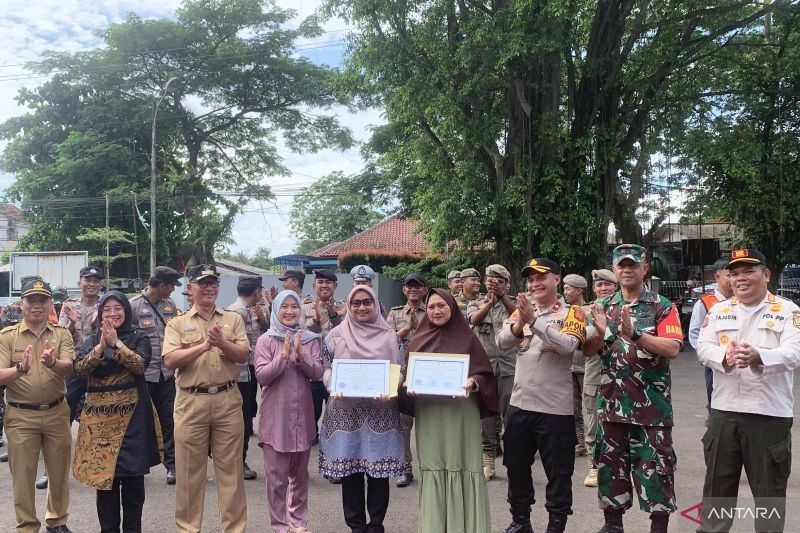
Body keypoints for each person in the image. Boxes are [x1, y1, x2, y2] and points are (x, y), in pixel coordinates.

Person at [696, 249, 800, 532]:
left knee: (769, 494)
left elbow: (793, 352)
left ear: (766, 275)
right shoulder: (719, 310)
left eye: (748, 272)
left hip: (768, 415)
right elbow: (703, 348)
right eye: (734, 274)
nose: (740, 279)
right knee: (717, 489)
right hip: (723, 413)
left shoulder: (787, 310)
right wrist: (723, 357)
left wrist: (760, 356)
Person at [582, 244, 683, 533]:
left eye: (633, 265)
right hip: (611, 406)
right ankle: (613, 525)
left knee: (656, 470)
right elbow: (588, 351)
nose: (627, 269)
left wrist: (635, 334)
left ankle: (658, 526)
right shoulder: (601, 307)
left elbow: (672, 348)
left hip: (652, 409)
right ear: (615, 269)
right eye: (621, 265)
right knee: (610, 468)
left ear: (644, 268)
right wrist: (600, 334)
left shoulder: (662, 306)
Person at [496, 258, 587, 533]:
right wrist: (519, 323)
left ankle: (555, 525)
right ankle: (521, 521)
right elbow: (502, 342)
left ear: (557, 280)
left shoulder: (573, 313)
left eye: (541, 277)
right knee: (515, 466)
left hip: (555, 410)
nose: (535, 283)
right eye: (531, 279)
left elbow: (568, 346)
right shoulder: (523, 310)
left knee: (558, 473)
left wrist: (535, 322)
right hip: (520, 405)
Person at [399, 288, 497, 532]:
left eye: (441, 305)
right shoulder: (417, 340)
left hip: (461, 412)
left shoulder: (468, 339)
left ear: (452, 308)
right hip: (430, 413)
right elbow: (407, 375)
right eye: (431, 307)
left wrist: (473, 381)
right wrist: (406, 384)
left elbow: (485, 374)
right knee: (434, 465)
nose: (436, 310)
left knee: (463, 463)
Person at [162, 264, 250, 533]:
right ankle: (188, 529)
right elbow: (169, 360)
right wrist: (204, 346)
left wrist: (222, 343)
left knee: (231, 475)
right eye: (203, 283)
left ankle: (234, 529)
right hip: (191, 402)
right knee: (189, 475)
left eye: (213, 282)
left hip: (227, 400)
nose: (209, 287)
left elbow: (244, 355)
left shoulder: (232, 319)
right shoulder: (177, 322)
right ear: (190, 289)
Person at [72, 291, 162, 533]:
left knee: (133, 486)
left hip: (133, 420)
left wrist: (117, 344)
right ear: (100, 314)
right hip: (99, 424)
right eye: (107, 309)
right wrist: (101, 348)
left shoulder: (139, 337)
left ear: (126, 311)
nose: (113, 313)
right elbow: (79, 371)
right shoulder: (91, 341)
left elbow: (140, 366)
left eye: (118, 308)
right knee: (106, 487)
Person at [319, 285, 406, 533]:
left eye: (367, 302)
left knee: (379, 472)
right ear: (348, 305)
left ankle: (376, 525)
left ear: (376, 304)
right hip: (347, 412)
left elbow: (399, 369)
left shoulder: (391, 336)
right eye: (355, 303)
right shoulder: (335, 335)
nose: (361, 307)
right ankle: (356, 526)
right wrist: (332, 384)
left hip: (381, 411)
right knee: (351, 471)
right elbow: (325, 368)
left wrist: (392, 387)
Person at [0, 279, 75, 533]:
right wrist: (20, 368)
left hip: (56, 412)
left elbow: (69, 367)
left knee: (58, 473)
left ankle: (57, 520)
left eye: (42, 300)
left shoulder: (61, 333)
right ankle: (27, 526)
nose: (37, 305)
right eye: (31, 300)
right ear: (21, 304)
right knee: (23, 476)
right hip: (21, 416)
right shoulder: (7, 337)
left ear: (50, 304)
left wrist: (53, 362)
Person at [254, 290, 323, 533]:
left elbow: (317, 373)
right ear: (276, 310)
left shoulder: (310, 339)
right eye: (285, 306)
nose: (290, 311)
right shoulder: (266, 340)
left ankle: (299, 522)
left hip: (302, 417)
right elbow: (262, 376)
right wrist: (283, 356)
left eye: (295, 306)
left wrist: (302, 355)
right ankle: (280, 526)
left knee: (300, 476)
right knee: (276, 479)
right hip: (276, 419)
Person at [129, 265, 182, 485]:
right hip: (143, 374)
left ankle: (172, 465)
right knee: (142, 421)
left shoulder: (170, 305)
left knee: (169, 419)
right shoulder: (133, 305)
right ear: (162, 286)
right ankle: (139, 464)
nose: (172, 291)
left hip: (166, 374)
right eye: (171, 286)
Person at [466, 264, 516, 481]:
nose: (494, 283)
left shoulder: (513, 303)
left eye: (499, 280)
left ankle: (514, 462)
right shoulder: (475, 302)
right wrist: (490, 302)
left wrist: (503, 297)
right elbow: (474, 320)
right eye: (490, 279)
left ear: (507, 284)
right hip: (484, 369)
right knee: (486, 416)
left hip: (509, 368)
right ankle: (488, 461)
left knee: (512, 417)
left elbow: (520, 315)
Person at [386, 273, 428, 488]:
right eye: (409, 286)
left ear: (424, 290)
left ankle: (430, 469)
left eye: (417, 286)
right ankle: (405, 469)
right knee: (403, 425)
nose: (413, 290)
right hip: (401, 373)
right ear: (404, 290)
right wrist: (408, 328)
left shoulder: (432, 311)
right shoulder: (394, 314)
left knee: (428, 425)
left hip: (426, 375)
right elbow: (387, 341)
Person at [227, 275, 269, 482]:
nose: (260, 294)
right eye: (260, 291)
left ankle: (236, 460)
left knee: (244, 417)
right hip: (238, 375)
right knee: (240, 420)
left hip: (247, 371)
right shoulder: (238, 312)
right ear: (256, 292)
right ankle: (238, 462)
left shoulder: (246, 311)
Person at [302, 269, 344, 458]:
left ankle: (334, 458)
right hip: (312, 372)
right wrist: (315, 322)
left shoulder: (346, 307)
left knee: (336, 416)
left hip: (338, 372)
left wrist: (334, 315)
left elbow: (348, 334)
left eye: (329, 282)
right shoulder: (302, 308)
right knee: (310, 415)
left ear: (335, 286)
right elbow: (298, 335)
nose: (324, 285)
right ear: (314, 286)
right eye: (320, 282)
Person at [582, 269, 618, 488]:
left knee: (621, 421)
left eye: (608, 285)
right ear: (593, 288)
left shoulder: (624, 309)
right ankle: (594, 467)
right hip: (595, 371)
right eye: (599, 285)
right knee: (593, 421)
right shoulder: (586, 312)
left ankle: (623, 466)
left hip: (621, 373)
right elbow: (585, 343)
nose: (604, 289)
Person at [688, 258, 733, 412]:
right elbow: (695, 332)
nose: (733, 279)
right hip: (714, 358)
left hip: (738, 357)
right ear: (717, 277)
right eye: (729, 275)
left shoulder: (742, 300)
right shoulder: (705, 302)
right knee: (714, 392)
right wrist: (704, 355)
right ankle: (714, 417)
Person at [562, 273, 588, 458]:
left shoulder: (589, 310)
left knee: (592, 408)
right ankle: (580, 443)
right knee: (573, 408)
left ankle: (593, 442)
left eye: (567, 288)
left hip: (586, 366)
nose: (565, 292)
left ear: (578, 290)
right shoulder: (564, 311)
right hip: (569, 365)